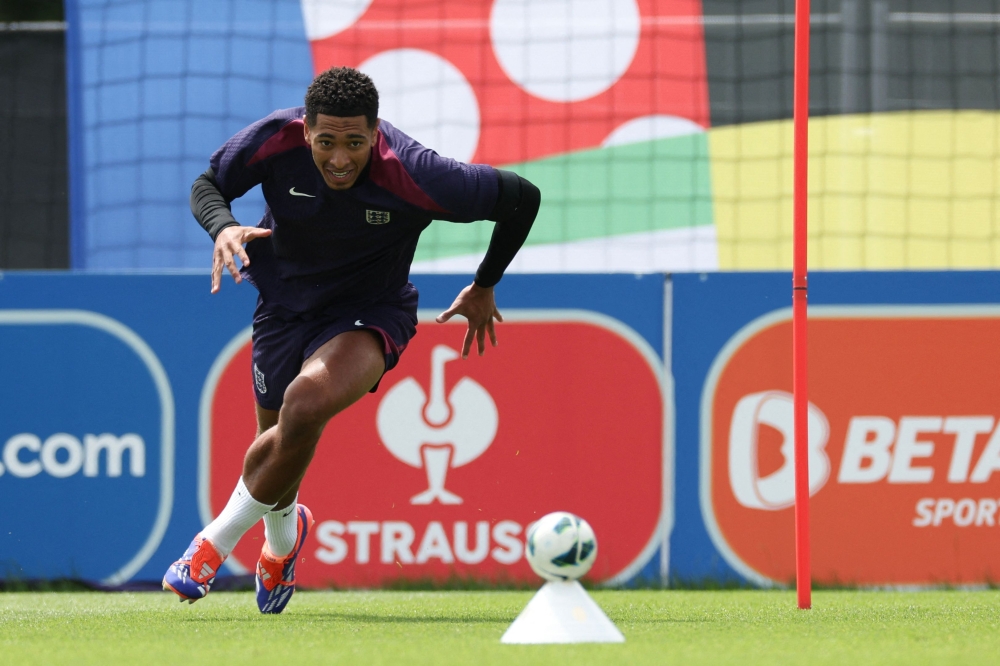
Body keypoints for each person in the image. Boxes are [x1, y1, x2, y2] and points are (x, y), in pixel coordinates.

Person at [161, 66, 540, 613]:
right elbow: (207, 185)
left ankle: (211, 546)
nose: (340, 158)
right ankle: (282, 544)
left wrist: (485, 284)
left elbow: (521, 198)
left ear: (375, 133)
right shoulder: (274, 138)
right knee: (280, 450)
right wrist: (222, 226)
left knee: (304, 405)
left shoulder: (416, 171)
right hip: (283, 307)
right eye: (327, 142)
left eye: (356, 143)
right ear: (306, 131)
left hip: (370, 312)